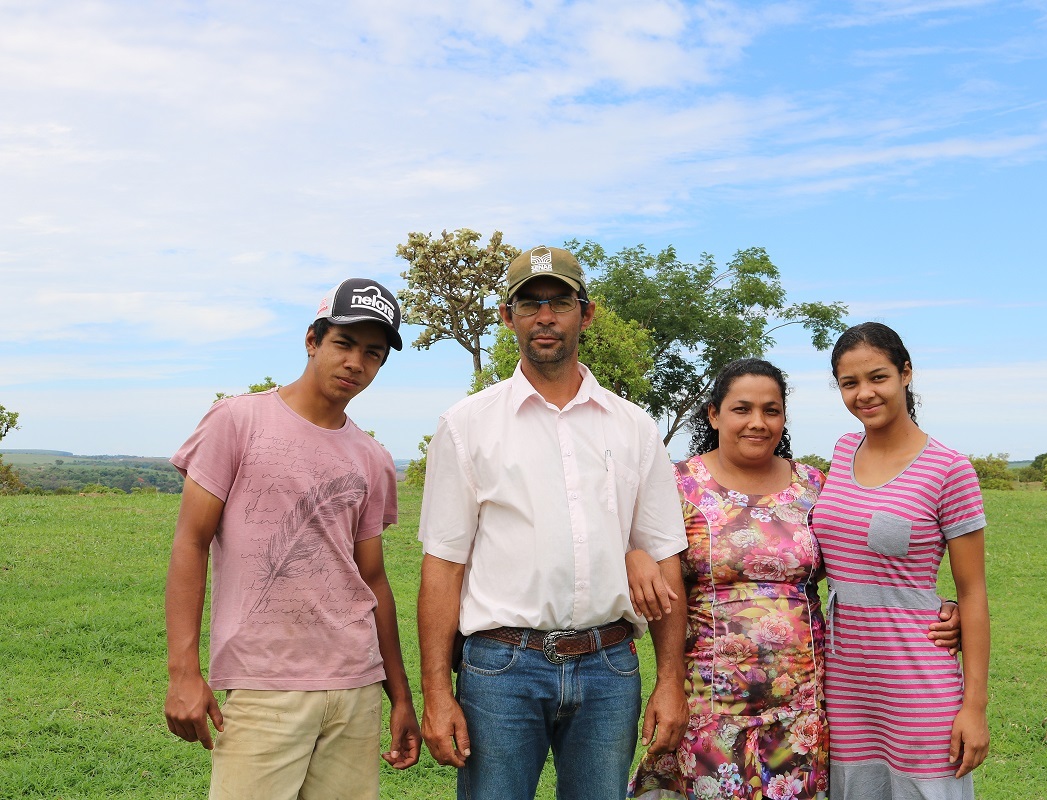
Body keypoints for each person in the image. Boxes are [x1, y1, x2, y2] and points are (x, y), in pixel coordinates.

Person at [416, 245, 691, 800]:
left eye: (560, 302)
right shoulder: (467, 424)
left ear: (585, 313)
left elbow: (664, 560)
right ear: (507, 316)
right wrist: (437, 695)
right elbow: (442, 567)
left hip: (609, 666)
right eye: (529, 304)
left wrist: (670, 682)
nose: (545, 317)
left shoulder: (633, 427)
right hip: (501, 667)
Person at [625, 358, 964, 800]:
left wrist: (935, 606)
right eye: (742, 409)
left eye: (771, 410)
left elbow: (861, 558)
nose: (757, 423)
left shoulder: (814, 486)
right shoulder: (676, 485)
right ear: (714, 414)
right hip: (709, 701)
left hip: (803, 704)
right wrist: (633, 554)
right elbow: (627, 538)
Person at [164, 278, 422, 800]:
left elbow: (372, 578)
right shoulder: (237, 421)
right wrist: (183, 674)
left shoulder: (372, 458)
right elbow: (190, 544)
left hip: (355, 685)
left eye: (373, 354)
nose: (356, 363)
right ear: (312, 340)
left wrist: (400, 696)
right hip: (264, 684)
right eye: (344, 344)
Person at [812, 322, 990, 799]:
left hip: (917, 679)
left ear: (906, 373)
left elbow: (973, 592)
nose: (864, 394)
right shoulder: (843, 450)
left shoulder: (949, 469)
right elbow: (834, 556)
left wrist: (974, 707)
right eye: (849, 384)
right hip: (846, 681)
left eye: (878, 377)